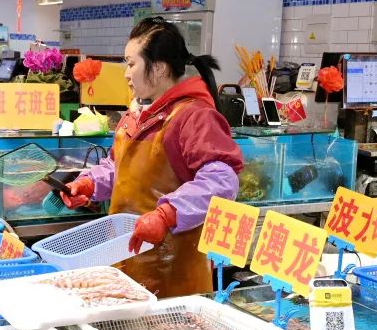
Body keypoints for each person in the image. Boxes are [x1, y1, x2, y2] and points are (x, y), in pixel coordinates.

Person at [58, 17, 243, 297]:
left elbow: (222, 181)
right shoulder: (138, 114)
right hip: (127, 264)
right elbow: (118, 166)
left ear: (158, 68)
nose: (126, 74)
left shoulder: (194, 116)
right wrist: (89, 184)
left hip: (174, 273)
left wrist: (167, 214)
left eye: (131, 64)